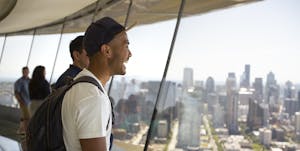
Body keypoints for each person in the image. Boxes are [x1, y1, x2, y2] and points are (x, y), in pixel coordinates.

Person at [62, 17, 132, 151]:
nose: (130, 54)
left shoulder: (80, 84)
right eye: (126, 46)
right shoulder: (93, 98)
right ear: (107, 51)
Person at [14, 66, 31, 134]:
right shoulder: (19, 81)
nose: (26, 73)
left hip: (30, 102)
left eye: (27, 71)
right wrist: (20, 101)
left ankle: (22, 130)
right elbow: (16, 92)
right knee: (26, 117)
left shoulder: (30, 80)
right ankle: (24, 131)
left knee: (25, 117)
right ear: (22, 72)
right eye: (24, 72)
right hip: (24, 102)